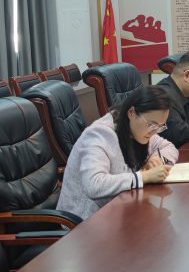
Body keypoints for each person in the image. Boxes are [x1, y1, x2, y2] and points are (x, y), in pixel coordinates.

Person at [57, 86, 178, 221]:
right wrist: (143, 177)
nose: (154, 131)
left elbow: (168, 147)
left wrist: (156, 158)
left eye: (160, 126)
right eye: (152, 125)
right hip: (86, 220)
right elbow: (93, 185)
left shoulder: (138, 128)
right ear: (131, 112)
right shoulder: (100, 134)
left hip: (121, 209)